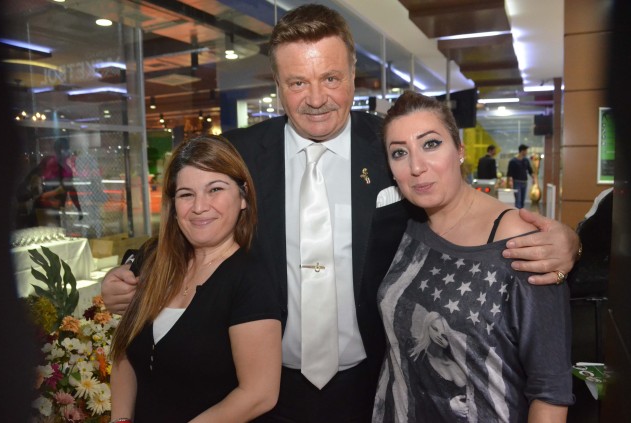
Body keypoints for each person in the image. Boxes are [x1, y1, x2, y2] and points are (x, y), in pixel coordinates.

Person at [102, 5, 580, 421]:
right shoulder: (239, 153)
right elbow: (195, 215)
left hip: (375, 386)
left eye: (330, 78)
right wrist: (131, 268)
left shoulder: (393, 147)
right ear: (277, 84)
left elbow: (457, 209)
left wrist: (569, 243)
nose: (316, 98)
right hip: (259, 387)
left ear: (353, 74)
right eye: (298, 82)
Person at [373, 91, 573, 422]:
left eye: (431, 144)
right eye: (399, 153)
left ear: (460, 150)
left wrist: (574, 246)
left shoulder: (522, 243)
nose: (417, 167)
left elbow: (550, 393)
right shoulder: (403, 227)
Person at [109, 135, 282, 422]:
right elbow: (125, 353)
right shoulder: (153, 260)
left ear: (243, 197)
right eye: (186, 194)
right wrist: (121, 420)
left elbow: (259, 394)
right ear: (173, 204)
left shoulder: (250, 278)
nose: (200, 206)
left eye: (215, 189)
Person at [507, 144, 537, 209]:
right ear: (522, 151)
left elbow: (530, 170)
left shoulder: (526, 160)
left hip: (524, 182)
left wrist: (534, 178)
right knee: (518, 200)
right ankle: (517, 212)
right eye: (526, 151)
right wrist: (510, 181)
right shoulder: (513, 161)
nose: (526, 152)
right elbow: (510, 173)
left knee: (522, 201)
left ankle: (521, 212)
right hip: (517, 182)